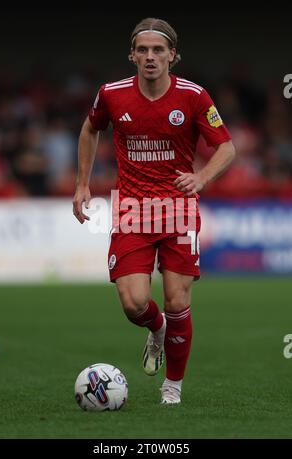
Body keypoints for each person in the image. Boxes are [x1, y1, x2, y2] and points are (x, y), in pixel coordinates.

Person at [73, 17, 236, 404]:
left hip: (178, 209)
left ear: (172, 56)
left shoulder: (194, 96)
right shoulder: (111, 94)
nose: (150, 56)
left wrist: (202, 177)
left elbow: (226, 147)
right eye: (142, 50)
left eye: (158, 50)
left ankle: (172, 389)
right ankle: (157, 329)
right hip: (132, 210)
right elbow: (89, 129)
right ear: (132, 55)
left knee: (178, 300)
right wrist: (82, 182)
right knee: (133, 304)